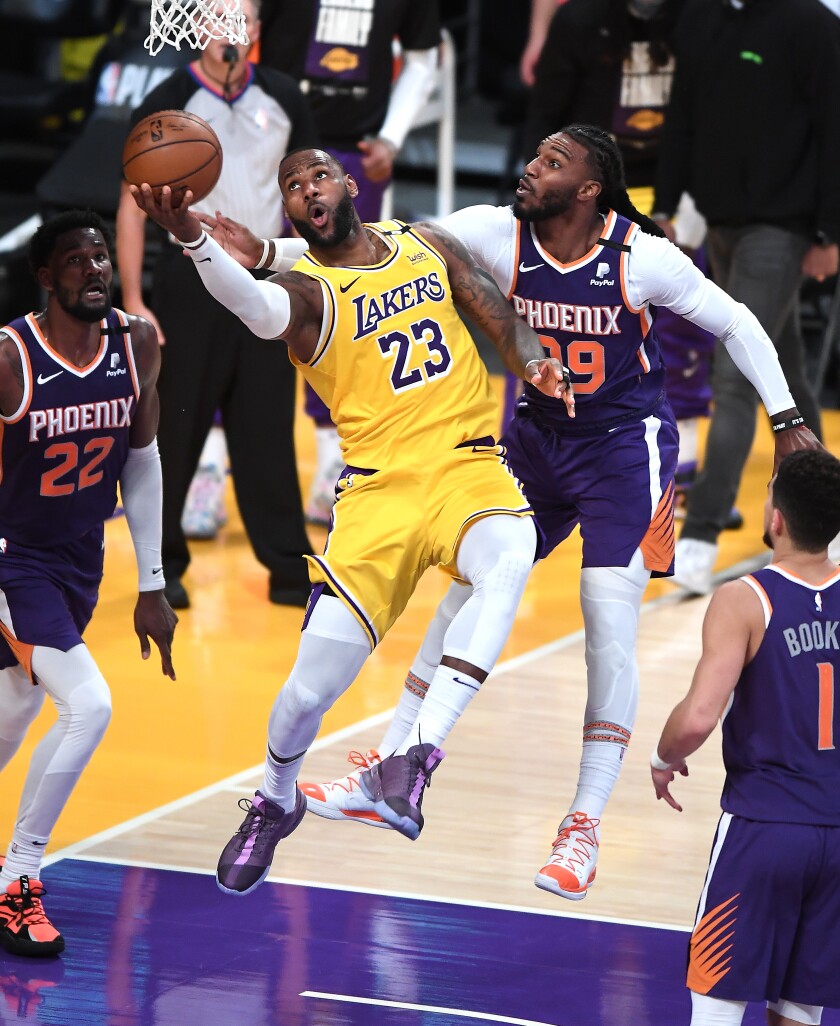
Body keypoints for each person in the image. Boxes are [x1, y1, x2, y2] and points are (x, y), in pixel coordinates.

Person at [291, 124, 822, 902]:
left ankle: (584, 822)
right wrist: (248, 250)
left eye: (550, 163)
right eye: (533, 155)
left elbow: (738, 322)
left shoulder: (642, 258)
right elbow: (362, 241)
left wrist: (784, 421)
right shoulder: (495, 234)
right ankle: (391, 764)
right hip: (536, 444)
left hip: (623, 453)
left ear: (588, 189)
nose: (529, 168)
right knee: (467, 591)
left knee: (607, 627)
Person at [129, 145, 572, 895]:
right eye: (292, 186)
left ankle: (417, 755)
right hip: (378, 496)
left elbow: (494, 309)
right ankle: (275, 799)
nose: (307, 189)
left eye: (318, 175)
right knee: (306, 694)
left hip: (467, 464)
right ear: (291, 211)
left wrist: (534, 363)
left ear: (349, 184)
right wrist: (192, 239)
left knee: (512, 554)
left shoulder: (422, 241)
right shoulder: (304, 294)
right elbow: (249, 302)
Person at [0, 210, 177, 956]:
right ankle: (19, 881)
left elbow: (141, 459)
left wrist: (153, 580)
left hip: (78, 559)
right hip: (14, 560)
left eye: (102, 256)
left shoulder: (135, 346)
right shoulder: (11, 359)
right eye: (77, 260)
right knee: (89, 706)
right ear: (47, 277)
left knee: (13, 711)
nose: (96, 269)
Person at [115, 0, 318, 610]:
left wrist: (312, 270)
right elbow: (130, 203)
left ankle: (287, 567)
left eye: (244, 18)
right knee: (175, 428)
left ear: (257, 32)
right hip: (188, 283)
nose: (231, 28)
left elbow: (310, 189)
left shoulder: (284, 96)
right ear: (196, 26)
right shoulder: (168, 97)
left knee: (266, 429)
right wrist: (134, 298)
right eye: (219, 15)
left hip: (264, 279)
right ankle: (163, 566)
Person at [651, 0, 840, 595]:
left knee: (734, 373)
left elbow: (836, 128)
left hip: (782, 228)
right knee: (784, 369)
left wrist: (831, 232)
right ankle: (825, 517)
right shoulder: (701, 18)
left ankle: (701, 535)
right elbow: (682, 115)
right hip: (721, 221)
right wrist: (664, 205)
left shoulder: (812, 24)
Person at [651, 449, 840, 1026]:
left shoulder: (744, 598)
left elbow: (700, 716)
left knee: (717, 1004)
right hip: (837, 834)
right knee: (799, 1011)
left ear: (776, 518)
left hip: (763, 826)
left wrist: (664, 755)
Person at [258, 0, 443, 526]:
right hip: (275, 143)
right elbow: (243, 34)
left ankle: (331, 464)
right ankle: (213, 458)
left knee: (348, 307)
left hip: (357, 152)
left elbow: (425, 54)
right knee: (258, 290)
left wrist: (393, 135)